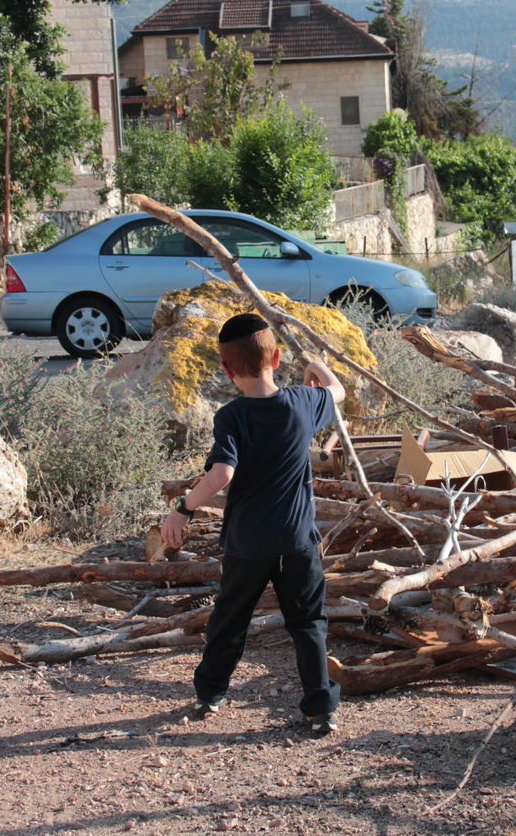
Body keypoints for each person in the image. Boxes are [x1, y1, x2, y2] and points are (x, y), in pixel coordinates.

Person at [159, 312, 344, 735]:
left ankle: (211, 693)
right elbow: (337, 391)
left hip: (247, 542)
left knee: (231, 618)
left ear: (226, 370)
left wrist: (182, 509)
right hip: (297, 540)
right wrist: (314, 367)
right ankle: (320, 707)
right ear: (276, 358)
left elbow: (223, 473)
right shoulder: (303, 402)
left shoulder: (231, 416)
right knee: (308, 623)